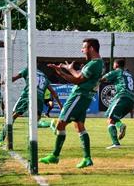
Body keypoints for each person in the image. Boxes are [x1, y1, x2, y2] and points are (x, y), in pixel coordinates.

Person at [39, 38, 103, 169]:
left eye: (84, 47)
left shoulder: (93, 64)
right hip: (85, 97)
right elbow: (80, 75)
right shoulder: (97, 63)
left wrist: (60, 72)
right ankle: (87, 158)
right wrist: (69, 68)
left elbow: (77, 80)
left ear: (91, 48)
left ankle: (55, 156)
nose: (82, 50)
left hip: (79, 96)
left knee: (60, 124)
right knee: (79, 126)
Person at [0, 67, 62, 145]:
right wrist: (60, 105)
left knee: (11, 117)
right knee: (34, 124)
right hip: (39, 98)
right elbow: (53, 92)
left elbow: (13, 79)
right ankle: (49, 124)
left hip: (27, 95)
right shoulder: (44, 76)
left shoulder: (28, 69)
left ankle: (0, 140)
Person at [100, 59, 134, 149]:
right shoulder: (129, 74)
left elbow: (102, 79)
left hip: (122, 97)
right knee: (111, 117)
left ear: (116, 65)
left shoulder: (117, 71)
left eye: (114, 64)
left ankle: (116, 144)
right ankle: (121, 125)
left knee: (110, 120)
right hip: (131, 100)